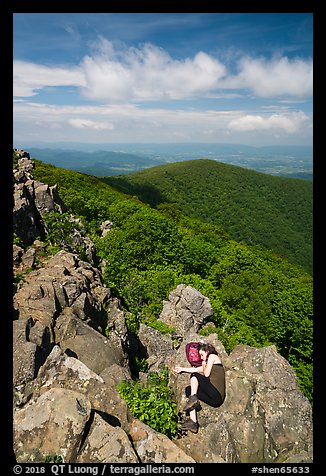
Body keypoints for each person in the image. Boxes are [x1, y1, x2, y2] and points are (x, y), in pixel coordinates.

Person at [174, 342, 225, 433]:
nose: (201, 357)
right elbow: (196, 369)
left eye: (202, 354)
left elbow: (206, 374)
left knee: (195, 376)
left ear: (207, 351)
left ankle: (193, 399)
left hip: (216, 394)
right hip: (214, 400)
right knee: (190, 390)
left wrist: (204, 364)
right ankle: (193, 423)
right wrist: (182, 369)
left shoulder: (213, 357)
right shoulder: (207, 363)